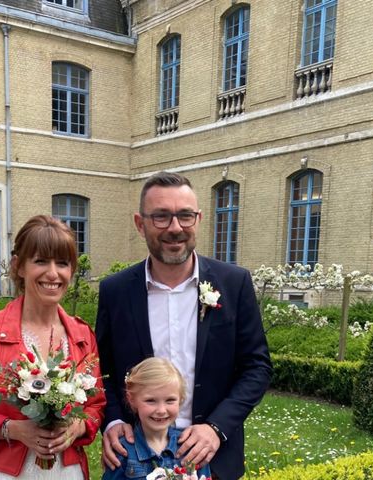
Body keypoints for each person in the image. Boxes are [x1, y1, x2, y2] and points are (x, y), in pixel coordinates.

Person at [96, 171, 272, 480]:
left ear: (198, 219)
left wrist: (216, 428)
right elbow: (101, 371)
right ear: (140, 223)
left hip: (212, 457)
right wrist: (112, 421)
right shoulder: (116, 291)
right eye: (161, 217)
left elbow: (257, 367)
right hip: (136, 459)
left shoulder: (234, 283)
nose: (175, 228)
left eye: (185, 216)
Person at [0, 215, 105, 480]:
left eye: (62, 263)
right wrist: (12, 429)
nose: (53, 273)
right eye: (40, 261)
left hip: (66, 471)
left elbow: (96, 406)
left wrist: (78, 426)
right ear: (19, 266)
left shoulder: (82, 335)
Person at [102, 357, 212, 480]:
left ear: (180, 399)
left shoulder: (191, 449)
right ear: (131, 399)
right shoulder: (122, 452)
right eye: (151, 401)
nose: (161, 410)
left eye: (170, 400)